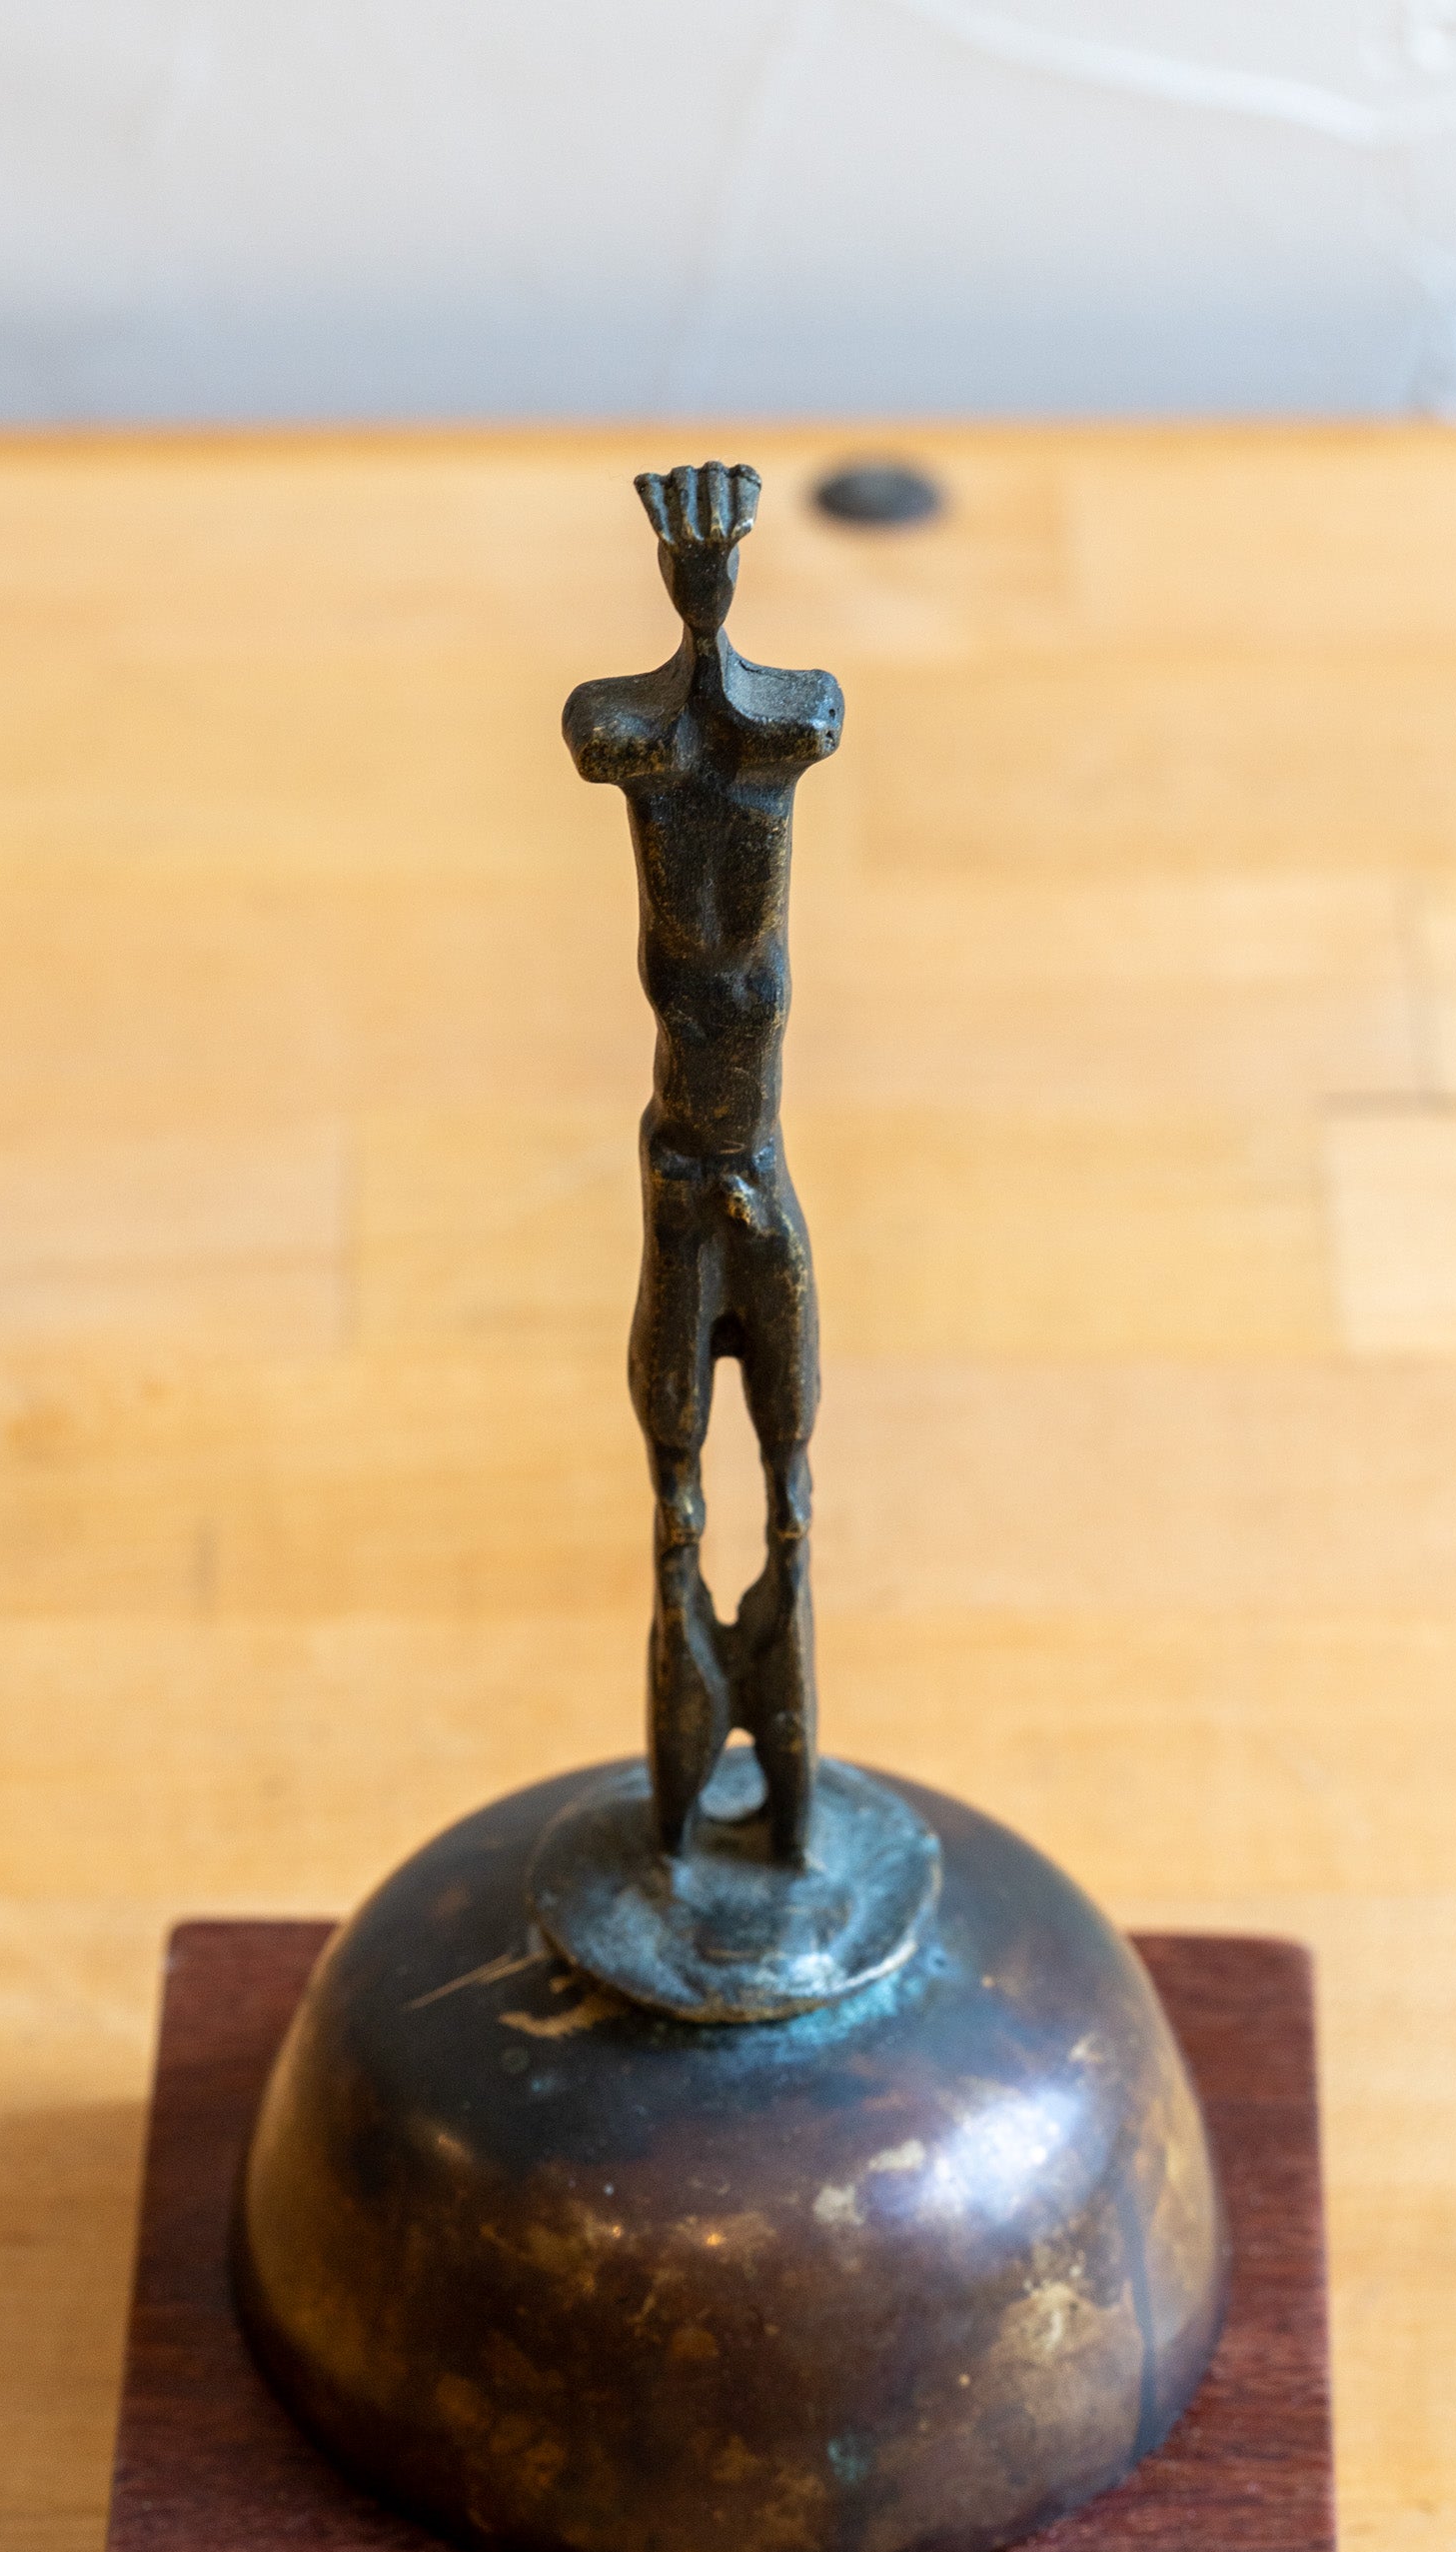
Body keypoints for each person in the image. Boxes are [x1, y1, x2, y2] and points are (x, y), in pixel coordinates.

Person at [563, 463, 843, 1864]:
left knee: (790, 1497)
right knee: (676, 1502)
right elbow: (600, 728)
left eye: (716, 562)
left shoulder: (789, 724)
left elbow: (793, 713)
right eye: (692, 563)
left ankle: (787, 1818)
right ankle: (678, 1830)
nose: (705, 582)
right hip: (682, 1183)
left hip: (753, 1175)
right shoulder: (635, 737)